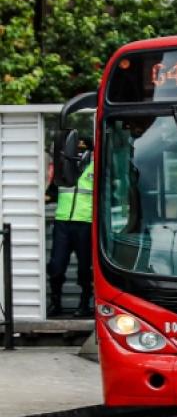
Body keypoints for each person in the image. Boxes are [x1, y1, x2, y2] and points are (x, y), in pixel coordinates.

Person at [48, 135, 94, 318]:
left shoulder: (96, 167)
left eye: (83, 149)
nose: (79, 152)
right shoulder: (63, 168)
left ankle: (84, 304)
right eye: (77, 149)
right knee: (56, 267)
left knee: (85, 268)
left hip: (86, 223)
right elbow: (51, 191)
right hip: (62, 223)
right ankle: (56, 303)